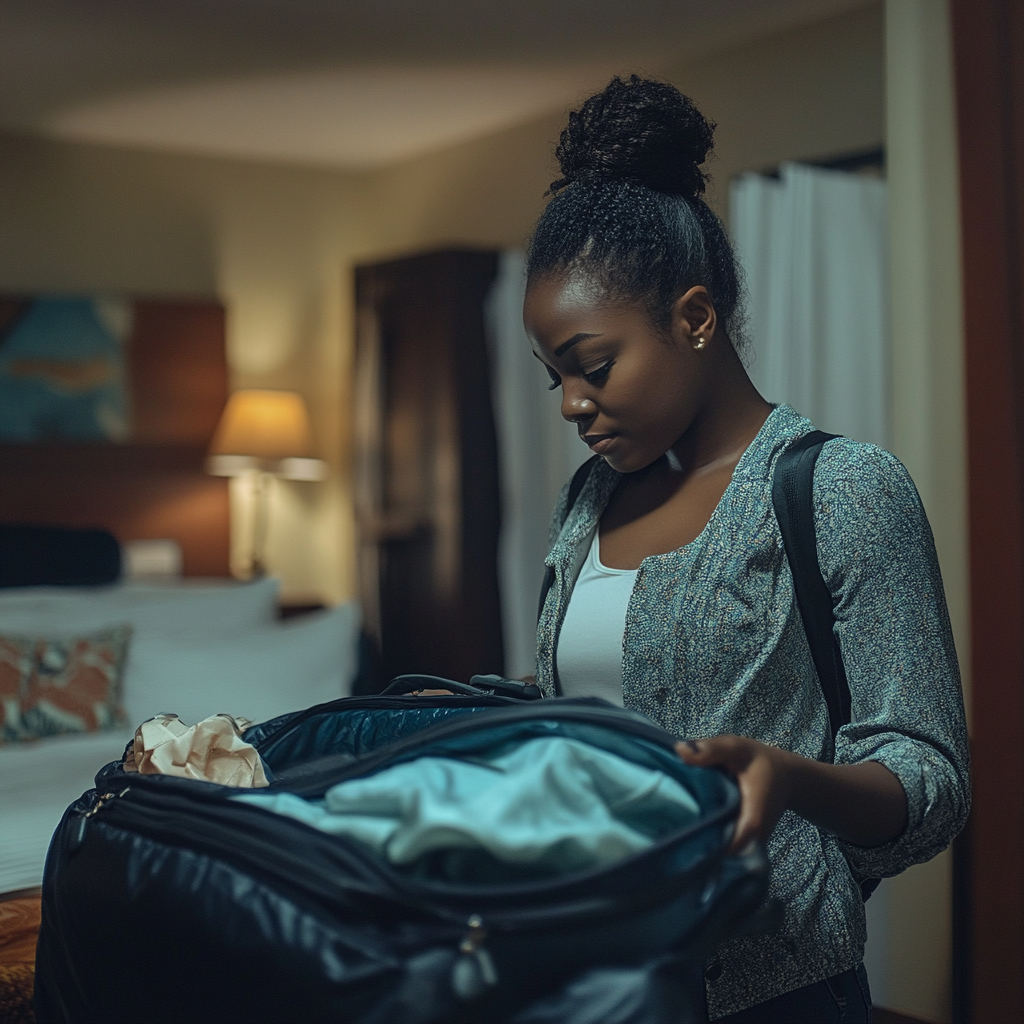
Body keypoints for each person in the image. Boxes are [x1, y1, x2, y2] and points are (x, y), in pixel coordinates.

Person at [524, 75, 970, 1023]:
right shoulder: (587, 499)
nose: (571, 403)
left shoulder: (843, 490)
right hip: (588, 979)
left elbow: (931, 781)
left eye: (594, 367)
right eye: (554, 374)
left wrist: (790, 776)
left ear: (694, 318)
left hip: (773, 993)